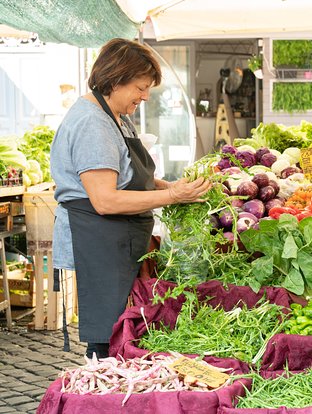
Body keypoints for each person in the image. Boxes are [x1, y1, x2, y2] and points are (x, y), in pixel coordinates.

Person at [50, 38, 211, 359]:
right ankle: (102, 386)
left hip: (118, 240)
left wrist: (174, 187)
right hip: (97, 240)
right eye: (140, 87)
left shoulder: (117, 116)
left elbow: (133, 174)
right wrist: (171, 195)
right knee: (108, 334)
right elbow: (105, 200)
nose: (145, 96)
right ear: (115, 79)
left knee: (125, 327)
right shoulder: (92, 124)